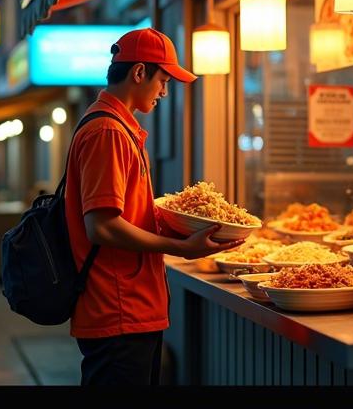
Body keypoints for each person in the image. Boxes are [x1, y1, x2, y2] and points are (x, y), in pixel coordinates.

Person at [65, 28, 244, 385]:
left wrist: (187, 224)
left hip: (130, 308)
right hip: (118, 308)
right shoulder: (109, 132)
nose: (164, 91)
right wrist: (181, 248)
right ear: (139, 73)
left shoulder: (118, 127)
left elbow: (125, 216)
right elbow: (101, 226)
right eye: (163, 79)